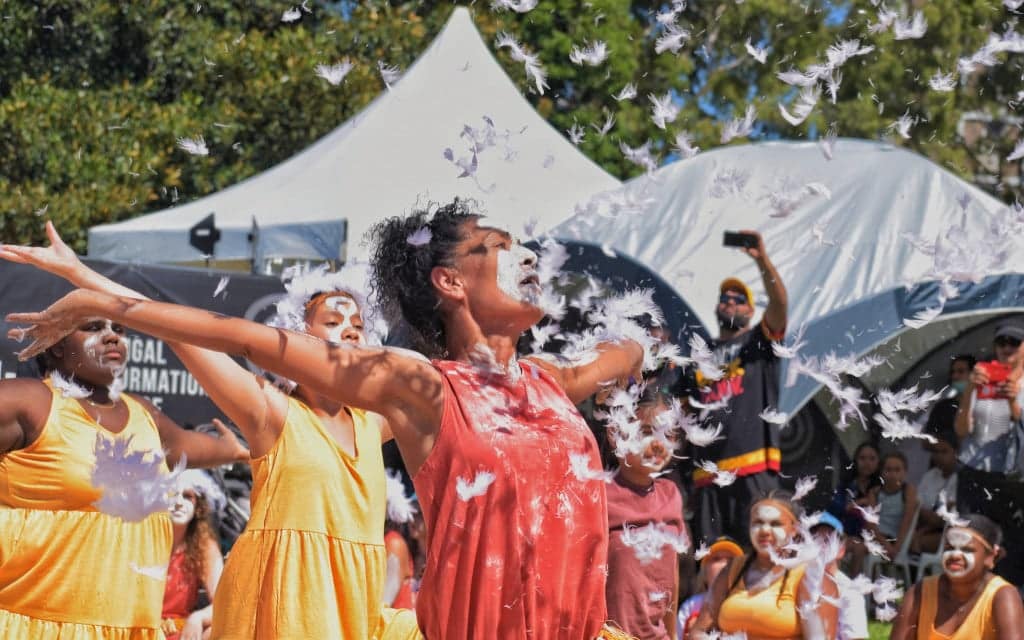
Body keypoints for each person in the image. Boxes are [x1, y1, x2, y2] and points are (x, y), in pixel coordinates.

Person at [6, 200, 648, 639]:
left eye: (357, 322)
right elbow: (226, 335)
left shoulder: (543, 382)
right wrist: (95, 287)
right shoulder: (409, 391)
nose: (528, 257)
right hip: (302, 605)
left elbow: (626, 350)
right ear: (450, 282)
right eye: (501, 247)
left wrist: (639, 350)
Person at [1, 223, 419, 639]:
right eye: (332, 321)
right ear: (295, 338)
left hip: (353, 616)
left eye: (359, 324)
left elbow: (420, 366)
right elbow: (178, 332)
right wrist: (79, 273)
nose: (350, 329)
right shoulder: (272, 412)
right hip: (287, 612)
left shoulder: (375, 420)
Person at [0, 298, 247, 636]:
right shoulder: (30, 401)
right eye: (93, 327)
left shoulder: (144, 415)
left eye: (119, 328)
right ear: (56, 346)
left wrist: (236, 450)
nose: (112, 336)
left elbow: (187, 447)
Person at [681, 230, 788, 542]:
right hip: (707, 477)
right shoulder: (698, 356)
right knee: (712, 561)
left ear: (751, 311)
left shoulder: (759, 342)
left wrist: (762, 260)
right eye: (724, 298)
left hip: (751, 469)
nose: (730, 302)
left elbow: (780, 305)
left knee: (759, 553)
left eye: (739, 300)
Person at [689, 493, 839, 640]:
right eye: (758, 523)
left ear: (794, 530)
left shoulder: (810, 576)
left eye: (775, 524)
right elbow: (698, 633)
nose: (764, 531)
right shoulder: (733, 569)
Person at [604, 389, 688, 640]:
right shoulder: (599, 494)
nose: (659, 444)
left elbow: (672, 575)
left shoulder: (671, 495)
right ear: (616, 434)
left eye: (668, 434)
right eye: (647, 432)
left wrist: (672, 635)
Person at [891, 514, 1024, 640]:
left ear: (991, 557)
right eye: (949, 548)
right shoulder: (920, 592)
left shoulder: (1002, 596)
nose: (955, 555)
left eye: (967, 549)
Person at [161, 470, 225, 640]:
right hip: (139, 631)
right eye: (172, 495)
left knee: (217, 632)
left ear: (198, 506)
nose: (179, 503)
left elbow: (224, 602)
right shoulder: (143, 537)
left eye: (187, 496)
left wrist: (198, 618)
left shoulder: (204, 546)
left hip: (180, 634)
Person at [956, 322, 1024, 473]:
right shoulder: (981, 377)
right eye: (1001, 342)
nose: (1006, 348)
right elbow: (961, 431)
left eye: (1014, 342)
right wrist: (968, 390)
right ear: (995, 347)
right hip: (970, 467)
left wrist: (1012, 401)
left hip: (1010, 473)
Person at [809, 513, 869, 640]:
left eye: (827, 541)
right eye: (814, 539)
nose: (820, 546)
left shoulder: (849, 592)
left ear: (841, 550)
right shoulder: (796, 580)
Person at [828, 441, 882, 574]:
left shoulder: (882, 488)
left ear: (878, 462)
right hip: (845, 533)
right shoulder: (847, 484)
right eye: (862, 458)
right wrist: (853, 505)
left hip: (874, 536)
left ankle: (853, 584)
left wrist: (863, 503)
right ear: (856, 461)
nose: (867, 463)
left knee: (857, 546)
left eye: (872, 459)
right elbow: (835, 508)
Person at [676, 537, 744, 640]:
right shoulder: (691, 606)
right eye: (716, 559)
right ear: (704, 573)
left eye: (731, 560)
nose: (725, 564)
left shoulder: (749, 603)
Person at [911, 427, 960, 555]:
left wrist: (926, 517)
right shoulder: (929, 475)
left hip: (949, 533)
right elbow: (915, 506)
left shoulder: (962, 479)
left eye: (944, 452)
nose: (939, 456)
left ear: (956, 452)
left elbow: (943, 519)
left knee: (916, 542)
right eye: (936, 452)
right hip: (922, 528)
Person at [869, 451, 919, 563]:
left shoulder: (908, 491)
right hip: (877, 538)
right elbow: (871, 523)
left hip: (896, 540)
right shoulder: (875, 493)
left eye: (897, 470)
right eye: (888, 470)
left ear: (905, 472)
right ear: (881, 472)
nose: (892, 474)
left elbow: (907, 520)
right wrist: (884, 543)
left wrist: (896, 548)